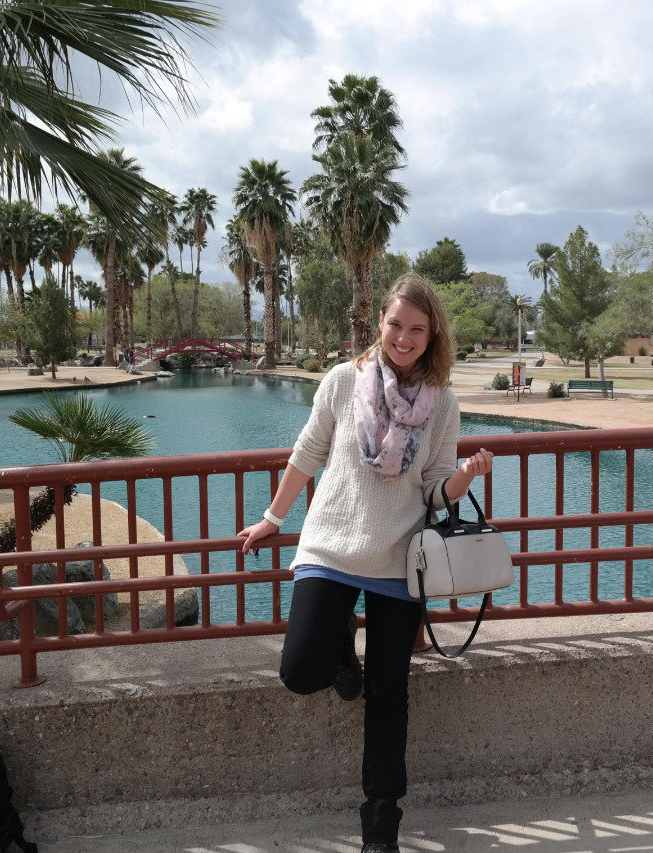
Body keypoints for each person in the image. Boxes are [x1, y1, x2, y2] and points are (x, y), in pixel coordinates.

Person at [238, 273, 493, 852]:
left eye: (417, 329)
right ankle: (339, 652)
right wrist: (274, 518)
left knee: (387, 695)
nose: (403, 338)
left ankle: (380, 830)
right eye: (395, 324)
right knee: (301, 672)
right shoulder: (341, 380)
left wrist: (463, 478)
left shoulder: (443, 404)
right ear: (380, 322)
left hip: (399, 560)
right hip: (330, 546)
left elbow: (434, 492)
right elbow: (308, 453)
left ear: (433, 336)